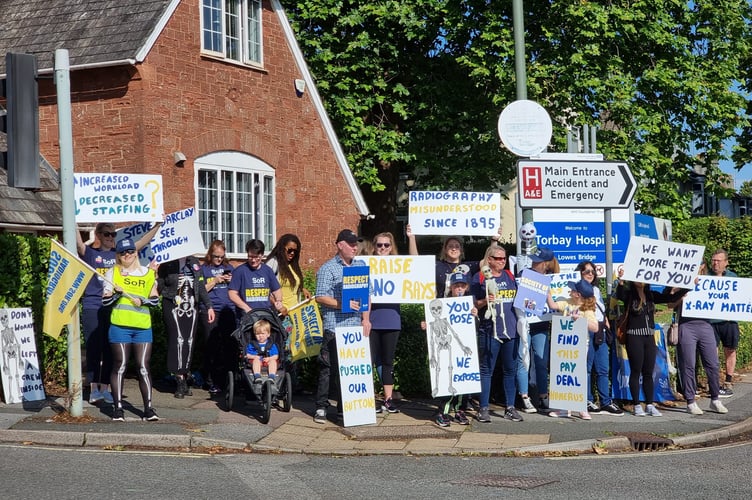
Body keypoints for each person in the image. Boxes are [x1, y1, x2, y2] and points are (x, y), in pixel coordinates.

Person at [76, 221, 161, 404]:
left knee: (109, 350)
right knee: (93, 349)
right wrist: (73, 216)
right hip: (93, 305)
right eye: (107, 234)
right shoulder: (91, 253)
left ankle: (105, 388)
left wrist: (158, 225)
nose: (110, 237)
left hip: (113, 307)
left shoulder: (120, 254)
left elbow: (141, 244)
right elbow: (78, 244)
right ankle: (93, 389)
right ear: (98, 235)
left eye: (113, 234)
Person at [313, 229, 371, 424]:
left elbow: (367, 296)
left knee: (351, 369)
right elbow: (320, 296)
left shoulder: (360, 266)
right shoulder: (327, 269)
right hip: (334, 327)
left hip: (355, 326)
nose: (355, 247)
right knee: (328, 368)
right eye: (351, 243)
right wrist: (342, 303)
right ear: (340, 245)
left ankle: (347, 408)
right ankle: (321, 407)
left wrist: (366, 319)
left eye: (356, 243)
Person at [103, 238, 160, 422]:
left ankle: (149, 409)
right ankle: (118, 409)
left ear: (136, 252)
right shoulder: (113, 273)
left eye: (130, 251)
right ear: (118, 256)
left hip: (143, 327)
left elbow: (155, 301)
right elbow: (105, 301)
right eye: (122, 253)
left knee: (143, 367)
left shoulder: (148, 273)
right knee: (120, 366)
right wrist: (116, 294)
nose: (127, 255)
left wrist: (143, 301)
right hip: (120, 326)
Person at [615, 269, 677, 417]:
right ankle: (637, 404)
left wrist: (688, 286)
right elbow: (620, 294)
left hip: (649, 337)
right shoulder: (630, 295)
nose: (640, 280)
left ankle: (649, 404)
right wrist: (621, 281)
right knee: (636, 371)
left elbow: (669, 297)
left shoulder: (650, 295)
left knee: (649, 372)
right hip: (634, 337)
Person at [471, 245, 520, 423]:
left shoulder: (509, 276)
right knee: (486, 370)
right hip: (490, 331)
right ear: (489, 259)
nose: (502, 261)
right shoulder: (480, 277)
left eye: (504, 258)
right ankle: (483, 408)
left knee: (510, 370)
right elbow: (473, 304)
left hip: (511, 330)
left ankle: (510, 407)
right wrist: (485, 300)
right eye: (498, 258)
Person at [673, 263, 729, 415]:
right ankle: (690, 401)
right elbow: (669, 304)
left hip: (705, 325)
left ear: (702, 265)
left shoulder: (708, 281)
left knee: (712, 363)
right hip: (687, 326)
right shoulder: (679, 282)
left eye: (698, 264)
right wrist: (681, 296)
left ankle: (715, 398)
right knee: (688, 364)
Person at [423, 272, 477, 427]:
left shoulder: (469, 305)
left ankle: (459, 410)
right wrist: (426, 326)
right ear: (451, 287)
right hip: (442, 346)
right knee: (445, 373)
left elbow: (464, 331)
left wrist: (475, 315)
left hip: (459, 350)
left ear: (466, 287)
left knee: (463, 378)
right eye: (456, 286)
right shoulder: (443, 306)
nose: (459, 289)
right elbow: (433, 329)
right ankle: (443, 411)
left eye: (462, 285)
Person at [158, 254, 216, 398]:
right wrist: (154, 273)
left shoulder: (194, 262)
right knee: (176, 339)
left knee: (189, 341)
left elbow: (201, 286)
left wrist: (209, 306)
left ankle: (184, 373)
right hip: (172, 303)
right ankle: (179, 379)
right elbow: (160, 287)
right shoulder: (167, 263)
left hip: (192, 305)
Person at [575, 260, 624, 416]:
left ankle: (605, 402)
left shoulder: (595, 289)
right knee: (586, 369)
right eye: (587, 271)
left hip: (600, 329)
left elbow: (600, 310)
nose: (590, 274)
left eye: (592, 271)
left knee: (603, 368)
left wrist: (605, 322)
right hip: (585, 329)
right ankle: (587, 400)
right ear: (580, 273)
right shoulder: (576, 290)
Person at [546, 279, 599, 419]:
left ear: (578, 294)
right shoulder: (567, 302)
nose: (571, 291)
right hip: (564, 347)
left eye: (573, 290)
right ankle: (564, 408)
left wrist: (580, 320)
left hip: (580, 347)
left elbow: (595, 327)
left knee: (578, 376)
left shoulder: (586, 310)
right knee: (564, 375)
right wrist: (547, 291)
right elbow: (552, 304)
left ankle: (582, 408)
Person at [408, 225, 503, 298]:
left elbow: (488, 262)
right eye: (450, 246)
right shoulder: (437, 266)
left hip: (465, 312)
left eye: (457, 246)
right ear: (445, 249)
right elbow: (416, 262)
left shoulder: (468, 266)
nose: (454, 249)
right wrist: (412, 238)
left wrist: (494, 240)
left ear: (461, 250)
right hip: (443, 309)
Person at [515, 247, 555, 414]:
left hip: (541, 323)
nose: (533, 262)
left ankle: (543, 396)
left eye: (537, 260)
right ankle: (524, 396)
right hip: (525, 323)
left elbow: (555, 302)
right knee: (523, 359)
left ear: (545, 263)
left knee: (541, 361)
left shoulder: (552, 279)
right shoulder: (525, 275)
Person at [366, 232, 402, 413]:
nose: (382, 248)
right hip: (370, 320)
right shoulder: (365, 264)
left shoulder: (400, 265)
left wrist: (411, 237)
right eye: (379, 245)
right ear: (374, 246)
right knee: (369, 361)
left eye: (386, 245)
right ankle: (367, 400)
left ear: (391, 247)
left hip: (391, 319)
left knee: (387, 361)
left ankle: (388, 399)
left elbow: (419, 268)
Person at [199, 240, 236, 395]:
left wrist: (230, 280)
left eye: (221, 257)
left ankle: (228, 381)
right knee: (211, 345)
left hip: (228, 310)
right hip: (210, 310)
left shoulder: (229, 268)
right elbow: (200, 291)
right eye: (216, 256)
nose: (219, 260)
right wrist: (214, 281)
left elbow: (237, 288)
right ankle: (210, 380)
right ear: (210, 254)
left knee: (229, 346)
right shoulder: (204, 269)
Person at [708, 249, 739, 397]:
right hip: (711, 322)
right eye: (713, 260)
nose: (715, 263)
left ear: (726, 262)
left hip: (729, 321)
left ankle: (728, 381)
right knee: (711, 352)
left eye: (719, 261)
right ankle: (714, 383)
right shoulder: (705, 276)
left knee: (730, 350)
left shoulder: (733, 277)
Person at [228, 239, 284, 320]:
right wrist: (246, 308)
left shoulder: (267, 271)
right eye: (250, 256)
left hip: (266, 316)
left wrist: (278, 301)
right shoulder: (240, 271)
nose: (253, 260)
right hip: (246, 317)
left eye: (256, 257)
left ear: (262, 255)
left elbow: (276, 290)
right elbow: (232, 294)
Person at [264, 234, 312, 316]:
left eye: (295, 251)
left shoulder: (293, 265)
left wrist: (302, 289)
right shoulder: (273, 262)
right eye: (290, 250)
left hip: (294, 313)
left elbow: (290, 284)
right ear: (282, 248)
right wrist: (278, 306)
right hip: (280, 314)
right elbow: (264, 289)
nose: (292, 253)